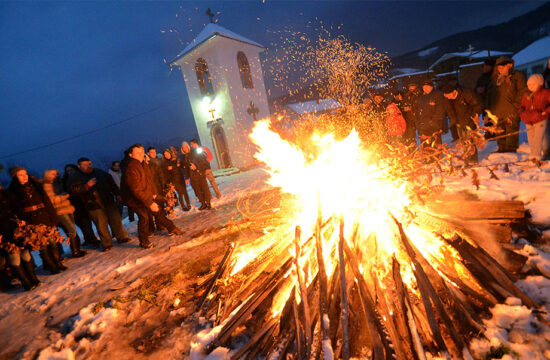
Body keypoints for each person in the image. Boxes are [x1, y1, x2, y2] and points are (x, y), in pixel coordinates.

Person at [121, 144, 182, 249]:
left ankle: (172, 228)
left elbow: (149, 180)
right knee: (144, 217)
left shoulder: (143, 164)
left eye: (142, 152)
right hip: (134, 198)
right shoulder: (131, 168)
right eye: (137, 153)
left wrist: (153, 193)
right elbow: (136, 189)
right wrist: (149, 202)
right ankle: (144, 241)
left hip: (145, 194)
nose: (141, 155)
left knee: (158, 211)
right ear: (131, 155)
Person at [8, 167, 66, 274]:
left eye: (25, 174)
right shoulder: (13, 191)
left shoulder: (36, 185)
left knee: (53, 242)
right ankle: (52, 267)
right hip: (31, 220)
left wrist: (53, 217)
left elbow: (47, 202)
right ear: (15, 177)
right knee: (41, 245)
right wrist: (22, 221)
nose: (25, 176)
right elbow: (15, 209)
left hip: (44, 215)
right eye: (21, 175)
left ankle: (58, 263)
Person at [66, 157, 129, 251]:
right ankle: (107, 243)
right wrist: (86, 186)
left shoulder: (99, 172)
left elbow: (111, 182)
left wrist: (117, 193)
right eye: (85, 165)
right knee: (101, 225)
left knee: (116, 220)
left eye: (90, 164)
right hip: (93, 204)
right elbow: (72, 190)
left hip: (108, 200)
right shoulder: (75, 177)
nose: (89, 166)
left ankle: (122, 237)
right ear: (79, 166)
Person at [0, 186, 40, 290]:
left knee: (25, 253)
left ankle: (33, 278)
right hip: (3, 232)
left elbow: (18, 208)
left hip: (16, 228)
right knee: (14, 257)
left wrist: (22, 219)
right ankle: (26, 282)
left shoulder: (6, 194)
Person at [486, 56, 527, 153]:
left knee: (511, 133)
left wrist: (515, 106)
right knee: (500, 133)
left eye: (502, 67)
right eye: (498, 68)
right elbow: (489, 95)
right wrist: (490, 111)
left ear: (509, 65)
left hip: (511, 111)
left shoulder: (517, 76)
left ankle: (511, 151)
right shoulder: (495, 80)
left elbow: (522, 92)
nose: (500, 70)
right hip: (498, 112)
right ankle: (501, 150)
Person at [43, 169, 86, 258]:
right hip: (59, 211)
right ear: (47, 175)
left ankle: (77, 249)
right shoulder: (46, 185)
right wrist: (64, 195)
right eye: (52, 174)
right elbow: (51, 200)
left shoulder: (58, 184)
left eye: (56, 174)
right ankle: (75, 251)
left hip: (67, 209)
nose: (55, 175)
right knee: (71, 230)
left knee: (71, 229)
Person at [442, 83, 484, 164]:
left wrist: (473, 116)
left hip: (469, 121)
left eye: (448, 95)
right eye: (445, 95)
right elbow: (449, 111)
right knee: (463, 141)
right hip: (458, 122)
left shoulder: (467, 93)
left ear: (454, 91)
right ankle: (467, 158)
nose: (447, 97)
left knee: (470, 140)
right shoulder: (447, 99)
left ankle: (473, 160)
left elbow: (478, 105)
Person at [62, 164, 100, 248]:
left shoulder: (80, 178)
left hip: (83, 203)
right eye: (68, 171)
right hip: (72, 205)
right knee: (80, 224)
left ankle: (93, 240)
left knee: (86, 223)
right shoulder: (65, 181)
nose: (70, 172)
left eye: (71, 170)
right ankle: (88, 239)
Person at [518, 74, 550, 160]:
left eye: (533, 84)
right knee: (531, 138)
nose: (531, 87)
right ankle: (534, 154)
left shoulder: (545, 93)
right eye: (529, 85)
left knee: (538, 138)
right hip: (528, 119)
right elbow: (522, 106)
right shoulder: (527, 94)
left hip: (540, 119)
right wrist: (522, 113)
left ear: (540, 84)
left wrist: (545, 112)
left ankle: (536, 156)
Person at [181, 141, 212, 210]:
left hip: (200, 173)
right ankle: (203, 203)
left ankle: (208, 203)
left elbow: (202, 161)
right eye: (183, 148)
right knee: (197, 191)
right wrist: (186, 178)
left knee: (204, 188)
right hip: (192, 177)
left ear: (188, 147)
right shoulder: (184, 157)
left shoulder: (194, 152)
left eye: (185, 147)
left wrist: (196, 166)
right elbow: (185, 169)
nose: (184, 149)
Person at [415, 80, 446, 145]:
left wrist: (433, 121)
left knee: (435, 145)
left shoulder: (437, 94)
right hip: (423, 126)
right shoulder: (420, 97)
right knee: (425, 147)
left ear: (432, 87)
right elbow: (417, 112)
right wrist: (418, 124)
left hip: (434, 126)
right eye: (424, 87)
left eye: (427, 86)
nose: (425, 88)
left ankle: (437, 155)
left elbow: (440, 109)